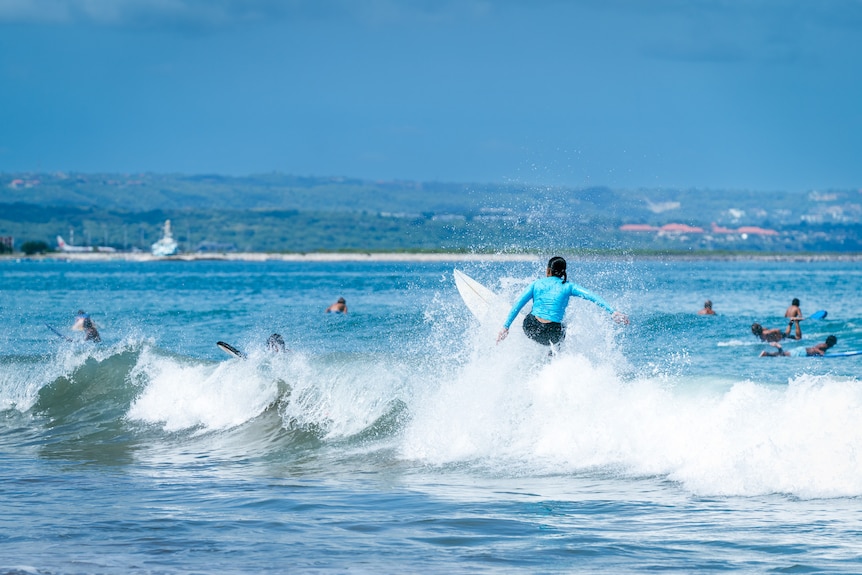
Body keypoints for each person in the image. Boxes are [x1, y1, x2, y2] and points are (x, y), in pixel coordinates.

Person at [497, 256, 628, 347]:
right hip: (552, 335)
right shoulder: (569, 286)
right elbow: (592, 296)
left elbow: (518, 305)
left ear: (548, 270)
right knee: (563, 328)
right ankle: (554, 355)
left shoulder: (536, 284)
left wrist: (506, 327)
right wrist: (613, 312)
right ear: (563, 272)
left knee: (531, 312)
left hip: (531, 329)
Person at [760, 335, 837, 357]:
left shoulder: (824, 345)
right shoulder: (824, 346)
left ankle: (766, 354)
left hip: (803, 351)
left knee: (783, 355)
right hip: (802, 352)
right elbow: (815, 348)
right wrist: (820, 352)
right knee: (783, 355)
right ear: (832, 342)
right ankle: (779, 347)